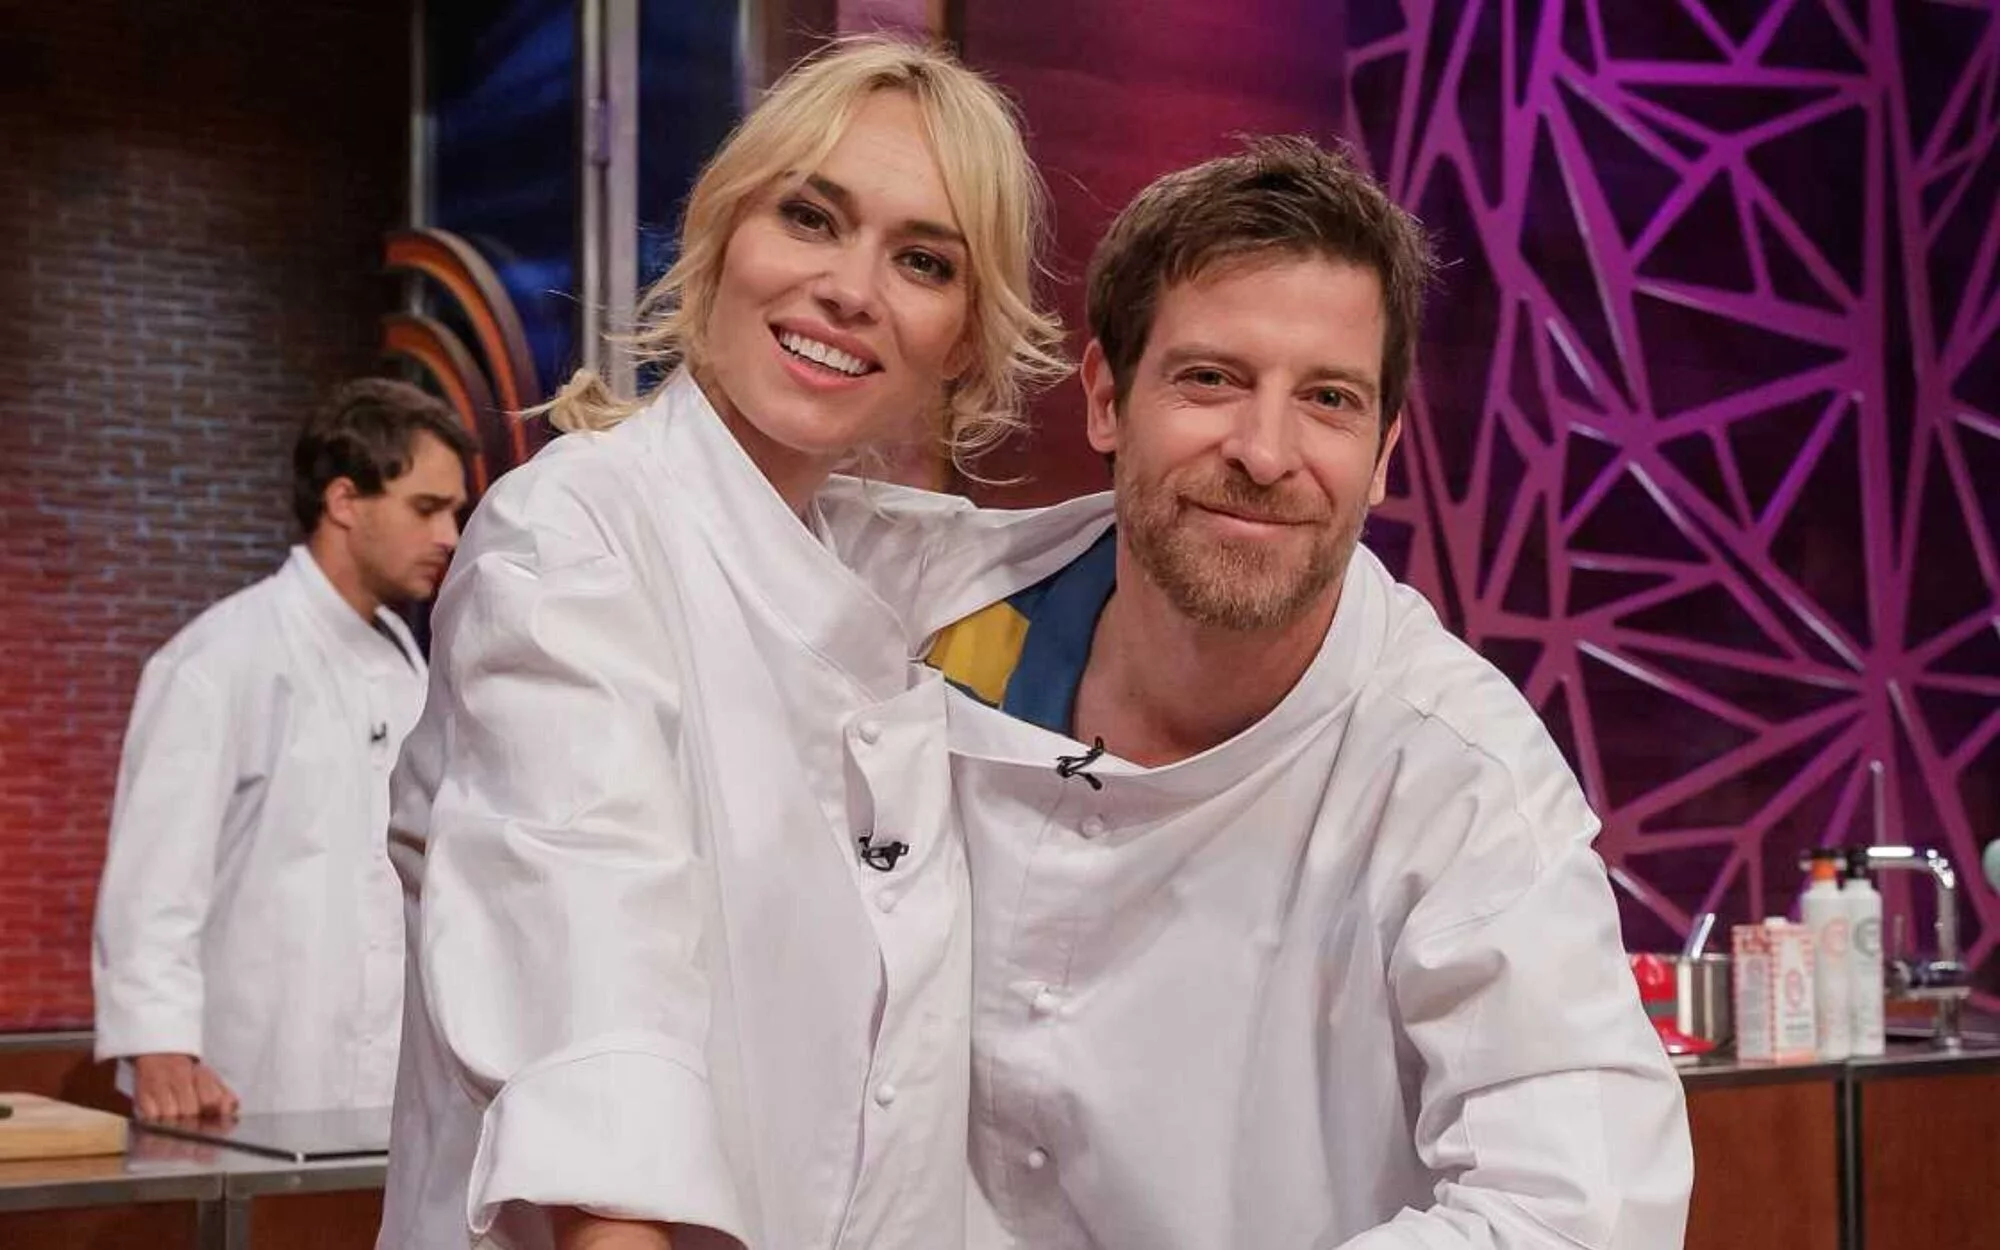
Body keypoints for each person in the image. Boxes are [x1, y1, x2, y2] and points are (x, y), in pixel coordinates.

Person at [374, 38, 1111, 1250]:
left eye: (922, 260)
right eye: (809, 217)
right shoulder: (572, 534)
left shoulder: (891, 569)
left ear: (962, 340)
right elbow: (597, 991)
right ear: (722, 236)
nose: (849, 288)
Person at [928, 137, 1694, 1249]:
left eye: (1328, 399)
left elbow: (1579, 1214)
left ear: (1382, 454)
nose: (1263, 451)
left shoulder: (1458, 774)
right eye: (1210, 378)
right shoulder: (936, 629)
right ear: (1105, 398)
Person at [92, 378, 474, 1119]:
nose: (449, 536)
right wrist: (159, 1045)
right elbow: (155, 876)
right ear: (344, 501)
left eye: (454, 512)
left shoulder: (410, 667)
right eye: (426, 508)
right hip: (248, 1083)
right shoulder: (219, 658)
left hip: (397, 1090)